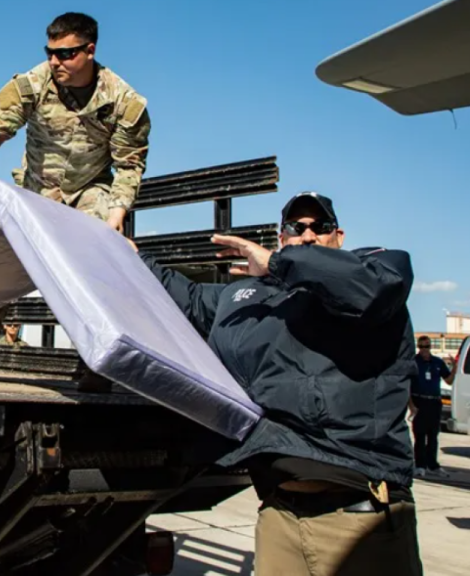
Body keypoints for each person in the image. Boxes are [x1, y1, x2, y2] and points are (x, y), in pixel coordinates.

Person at [129, 192, 422, 575]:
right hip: (280, 516)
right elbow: (189, 300)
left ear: (339, 235)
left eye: (321, 227)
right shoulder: (252, 295)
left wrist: (277, 264)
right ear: (281, 234)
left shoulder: (377, 269)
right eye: (295, 227)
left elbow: (369, 288)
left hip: (357, 516)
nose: (308, 234)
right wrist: (131, 256)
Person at [0, 11, 151, 376]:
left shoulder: (124, 102)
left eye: (66, 54)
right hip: (36, 187)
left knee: (99, 251)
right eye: (50, 52)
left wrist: (117, 215)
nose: (56, 61)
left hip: (88, 189)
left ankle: (93, 360)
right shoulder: (35, 82)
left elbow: (128, 165)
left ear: (90, 50)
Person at [410, 335, 454, 478]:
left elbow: (448, 380)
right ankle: (420, 465)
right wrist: (411, 406)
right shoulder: (414, 362)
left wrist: (455, 368)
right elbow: (406, 386)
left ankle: (432, 465)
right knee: (420, 435)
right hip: (419, 402)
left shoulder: (437, 362)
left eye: (427, 346)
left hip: (434, 402)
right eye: (421, 346)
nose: (424, 349)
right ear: (418, 346)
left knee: (433, 435)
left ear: (430, 346)